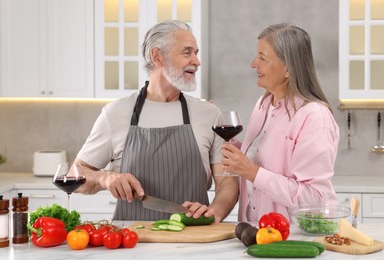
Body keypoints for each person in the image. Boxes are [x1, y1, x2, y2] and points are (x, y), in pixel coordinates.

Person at [73, 20, 238, 222]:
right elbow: (76, 175)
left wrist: (215, 213)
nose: (196, 61)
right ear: (157, 56)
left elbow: (227, 183)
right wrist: (104, 177)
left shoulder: (209, 114)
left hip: (194, 241)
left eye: (196, 52)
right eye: (187, 53)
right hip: (132, 243)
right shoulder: (115, 113)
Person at [221, 23, 339, 223]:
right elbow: (265, 160)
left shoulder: (314, 116)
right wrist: (239, 153)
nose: (253, 64)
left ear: (287, 69)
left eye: (262, 58)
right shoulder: (263, 104)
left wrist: (251, 172)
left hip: (293, 240)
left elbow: (315, 199)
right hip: (254, 231)